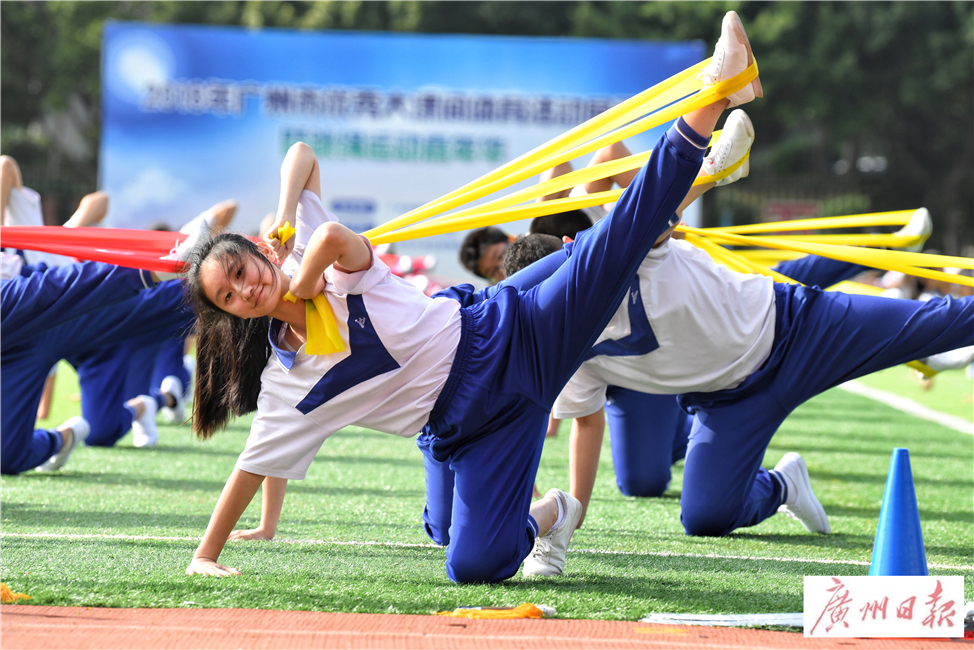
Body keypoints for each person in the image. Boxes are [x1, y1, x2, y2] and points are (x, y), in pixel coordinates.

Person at [180, 10, 760, 584]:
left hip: (505, 339)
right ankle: (553, 513)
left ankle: (716, 95)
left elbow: (304, 164)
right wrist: (205, 552)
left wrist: (287, 231)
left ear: (258, 252)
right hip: (471, 431)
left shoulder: (308, 245)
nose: (244, 288)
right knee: (473, 566)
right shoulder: (286, 381)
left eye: (238, 269)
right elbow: (250, 467)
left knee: (612, 245)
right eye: (228, 296)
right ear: (232, 317)